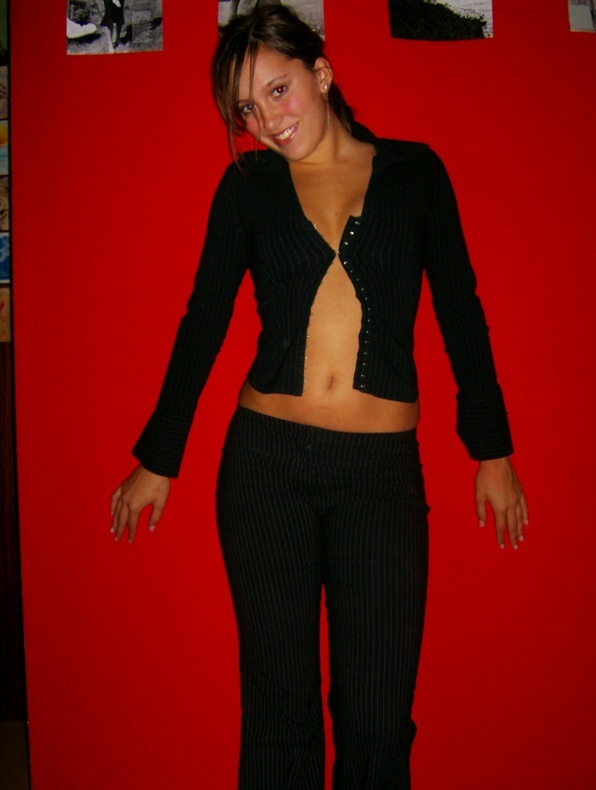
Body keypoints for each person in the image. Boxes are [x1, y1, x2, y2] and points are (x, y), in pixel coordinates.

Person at [110, 6, 527, 788]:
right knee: (280, 716)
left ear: (322, 73)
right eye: (247, 108)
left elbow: (461, 310)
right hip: (265, 468)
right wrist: (159, 456)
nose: (266, 120)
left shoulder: (415, 173)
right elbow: (203, 320)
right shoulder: (249, 188)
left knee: (377, 719)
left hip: (379, 477)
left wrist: (492, 449)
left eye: (278, 90)